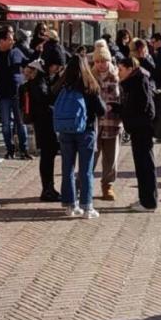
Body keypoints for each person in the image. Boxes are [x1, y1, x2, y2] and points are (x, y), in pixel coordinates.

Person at [52, 52, 105, 219]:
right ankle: (87, 206)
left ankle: (70, 204)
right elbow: (101, 110)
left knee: (67, 168)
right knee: (86, 170)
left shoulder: (61, 85)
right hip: (86, 131)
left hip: (65, 130)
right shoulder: (90, 86)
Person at [117, 51, 158, 211]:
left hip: (142, 128)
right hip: (138, 127)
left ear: (129, 69)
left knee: (145, 166)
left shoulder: (139, 82)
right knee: (142, 166)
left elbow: (145, 107)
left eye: (121, 69)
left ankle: (148, 202)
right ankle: (145, 199)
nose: (118, 73)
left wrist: (125, 112)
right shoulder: (135, 82)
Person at [24, 58, 60, 203]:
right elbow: (47, 99)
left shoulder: (39, 81)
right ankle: (47, 189)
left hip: (43, 123)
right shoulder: (39, 82)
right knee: (47, 156)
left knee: (48, 156)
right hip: (44, 124)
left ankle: (49, 188)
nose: (55, 68)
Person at [90, 40, 122, 199]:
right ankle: (83, 185)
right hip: (94, 123)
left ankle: (107, 186)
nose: (101, 64)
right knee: (90, 156)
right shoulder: (89, 75)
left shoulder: (117, 75)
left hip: (112, 122)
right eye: (97, 61)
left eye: (104, 61)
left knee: (111, 157)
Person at [0, 27, 30, 159]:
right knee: (6, 125)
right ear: (2, 41)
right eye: (10, 39)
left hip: (17, 93)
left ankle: (24, 150)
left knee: (20, 123)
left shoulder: (16, 52)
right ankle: (10, 149)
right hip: (3, 95)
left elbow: (28, 61)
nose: (12, 41)